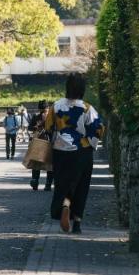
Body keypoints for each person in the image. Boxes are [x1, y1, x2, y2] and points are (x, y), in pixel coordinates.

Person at [44, 76, 104, 234]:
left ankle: (65, 204)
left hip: (60, 151)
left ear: (67, 87)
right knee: (81, 185)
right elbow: (98, 128)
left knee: (63, 184)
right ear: (82, 89)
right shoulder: (87, 108)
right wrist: (90, 141)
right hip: (82, 152)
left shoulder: (56, 106)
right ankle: (77, 223)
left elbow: (48, 126)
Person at [28, 100, 53, 192]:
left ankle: (35, 182)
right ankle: (48, 184)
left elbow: (30, 128)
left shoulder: (36, 117)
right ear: (48, 108)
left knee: (36, 163)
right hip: (49, 142)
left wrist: (36, 127)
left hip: (38, 142)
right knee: (49, 164)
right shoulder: (52, 117)